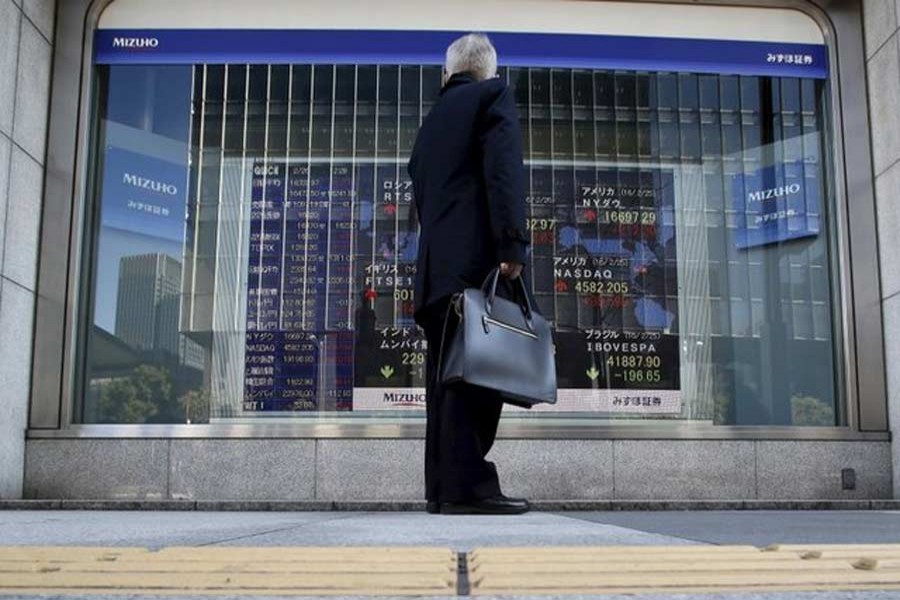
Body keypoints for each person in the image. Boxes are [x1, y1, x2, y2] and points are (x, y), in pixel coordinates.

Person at [408, 33, 531, 515]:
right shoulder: (493, 95)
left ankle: (442, 489)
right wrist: (511, 244)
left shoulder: (431, 122)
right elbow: (503, 171)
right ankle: (471, 488)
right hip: (476, 269)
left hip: (436, 273)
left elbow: (421, 186)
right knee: (477, 381)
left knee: (444, 385)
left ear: (449, 72)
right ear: (488, 69)